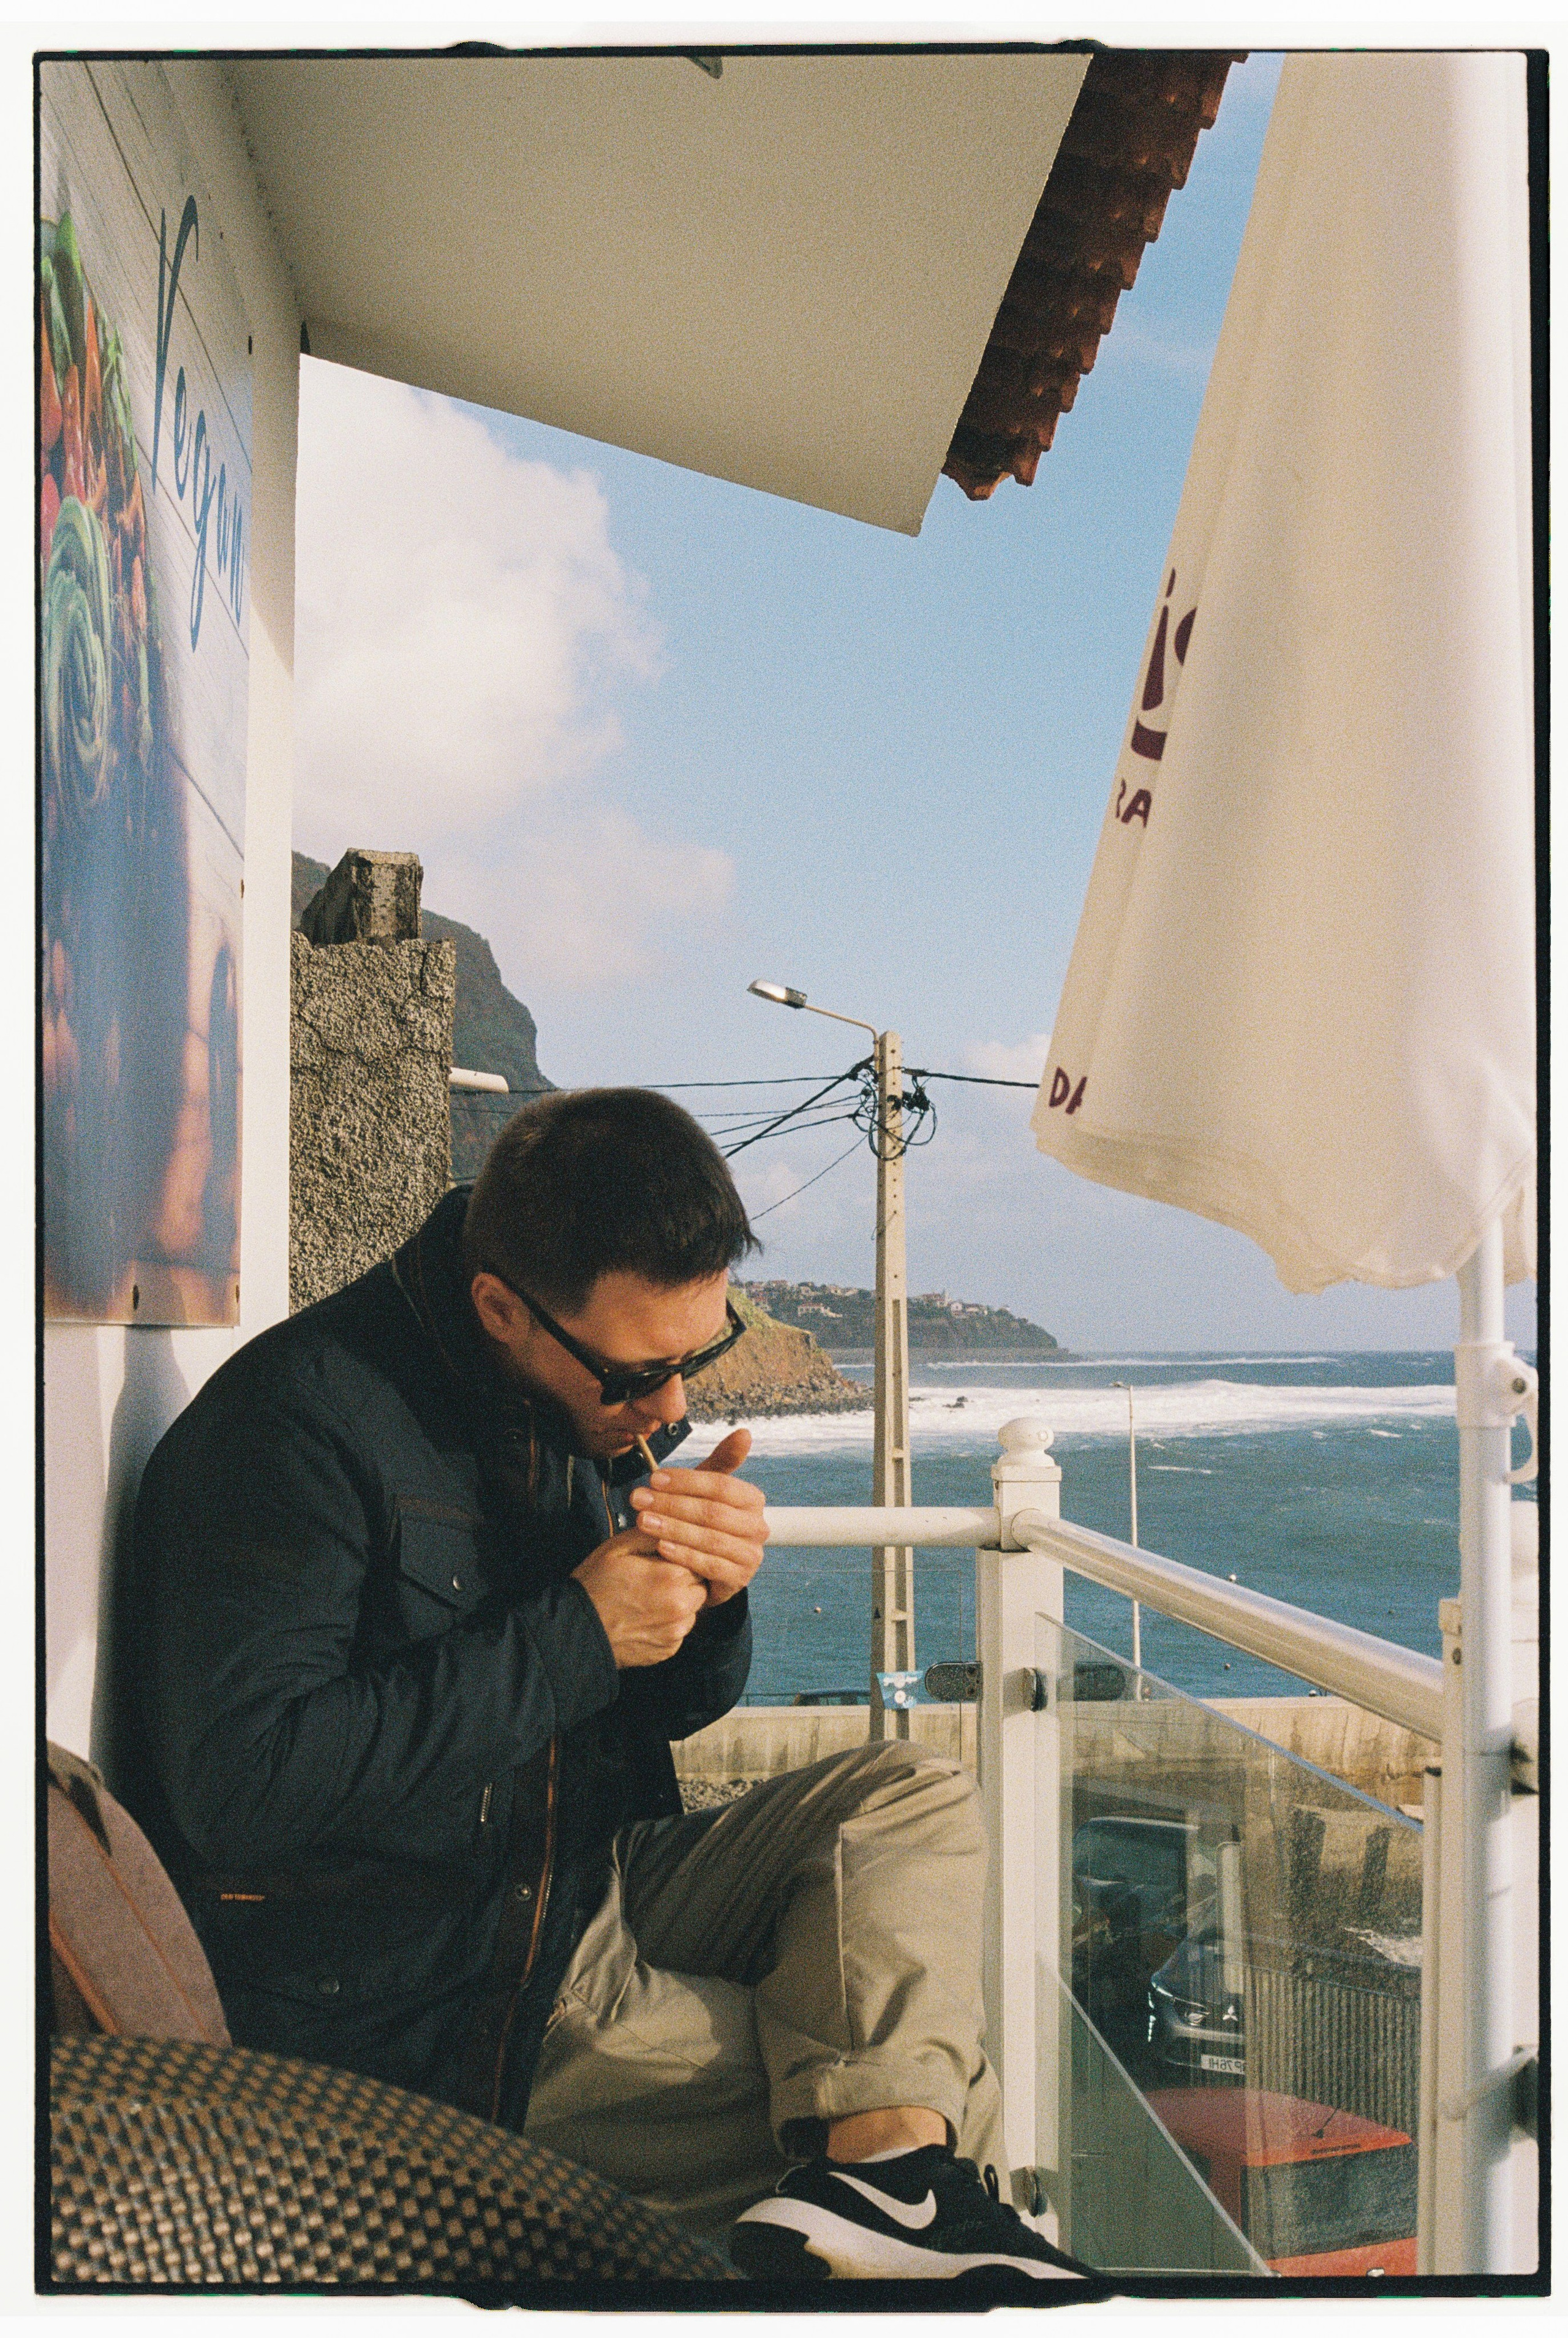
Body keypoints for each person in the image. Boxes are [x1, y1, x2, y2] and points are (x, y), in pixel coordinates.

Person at [122, 1088, 1084, 2283]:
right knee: (929, 2096)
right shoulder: (292, 1428)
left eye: (697, 1356)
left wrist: (701, 1596)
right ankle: (896, 2196)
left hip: (568, 1878)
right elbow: (244, 1787)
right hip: (424, 1987)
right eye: (641, 1373)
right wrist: (579, 1628)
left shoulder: (541, 1397)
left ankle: (884, 2195)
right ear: (499, 1306)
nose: (670, 1409)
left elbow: (644, 1707)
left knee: (909, 1796)